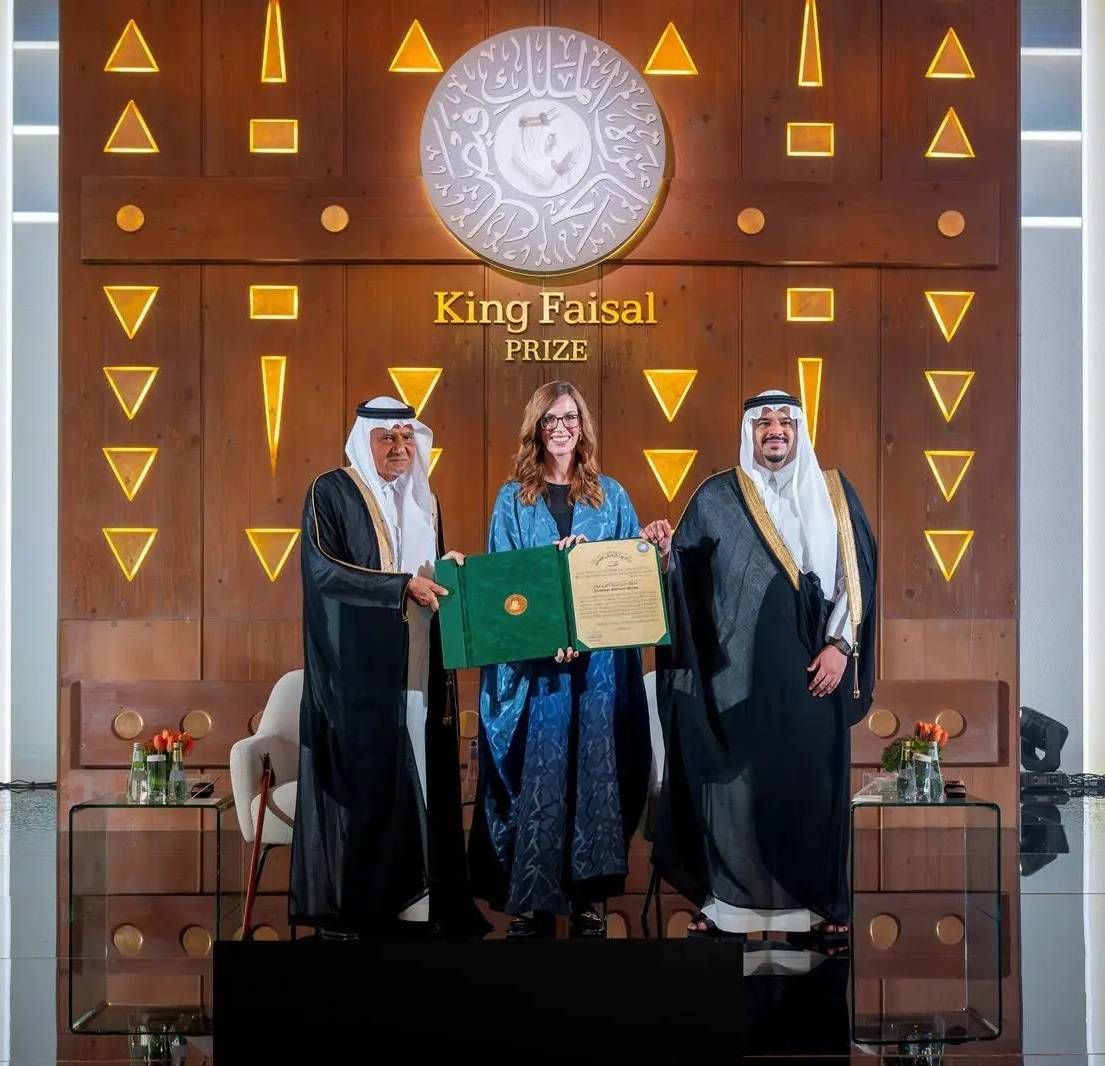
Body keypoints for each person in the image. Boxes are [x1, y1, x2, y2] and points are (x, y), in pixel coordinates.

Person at [641, 389, 876, 948]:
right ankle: (726, 904)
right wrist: (665, 555)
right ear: (749, 432)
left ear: (799, 432)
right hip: (735, 678)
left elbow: (855, 575)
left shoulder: (834, 493)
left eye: (784, 422)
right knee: (730, 788)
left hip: (813, 671)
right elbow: (688, 578)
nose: (775, 430)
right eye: (763, 422)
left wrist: (841, 647)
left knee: (811, 785)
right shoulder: (717, 495)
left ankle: (818, 905)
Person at [289, 397, 487, 939]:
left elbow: (426, 572)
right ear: (365, 440)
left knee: (420, 766)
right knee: (374, 780)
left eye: (407, 438)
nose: (400, 448)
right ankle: (368, 908)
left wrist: (450, 569)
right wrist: (400, 587)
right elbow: (323, 569)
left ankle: (419, 907)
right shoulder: (331, 491)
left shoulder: (425, 499)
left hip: (421, 655)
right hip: (360, 666)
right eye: (387, 438)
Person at [468, 381, 652, 938]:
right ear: (536, 429)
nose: (561, 428)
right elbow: (505, 583)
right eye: (550, 419)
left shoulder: (611, 496)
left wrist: (618, 557)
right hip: (537, 670)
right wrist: (548, 628)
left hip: (597, 671)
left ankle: (590, 901)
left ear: (583, 426)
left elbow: (629, 579)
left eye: (570, 418)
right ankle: (530, 901)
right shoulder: (513, 500)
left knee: (594, 778)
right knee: (538, 777)